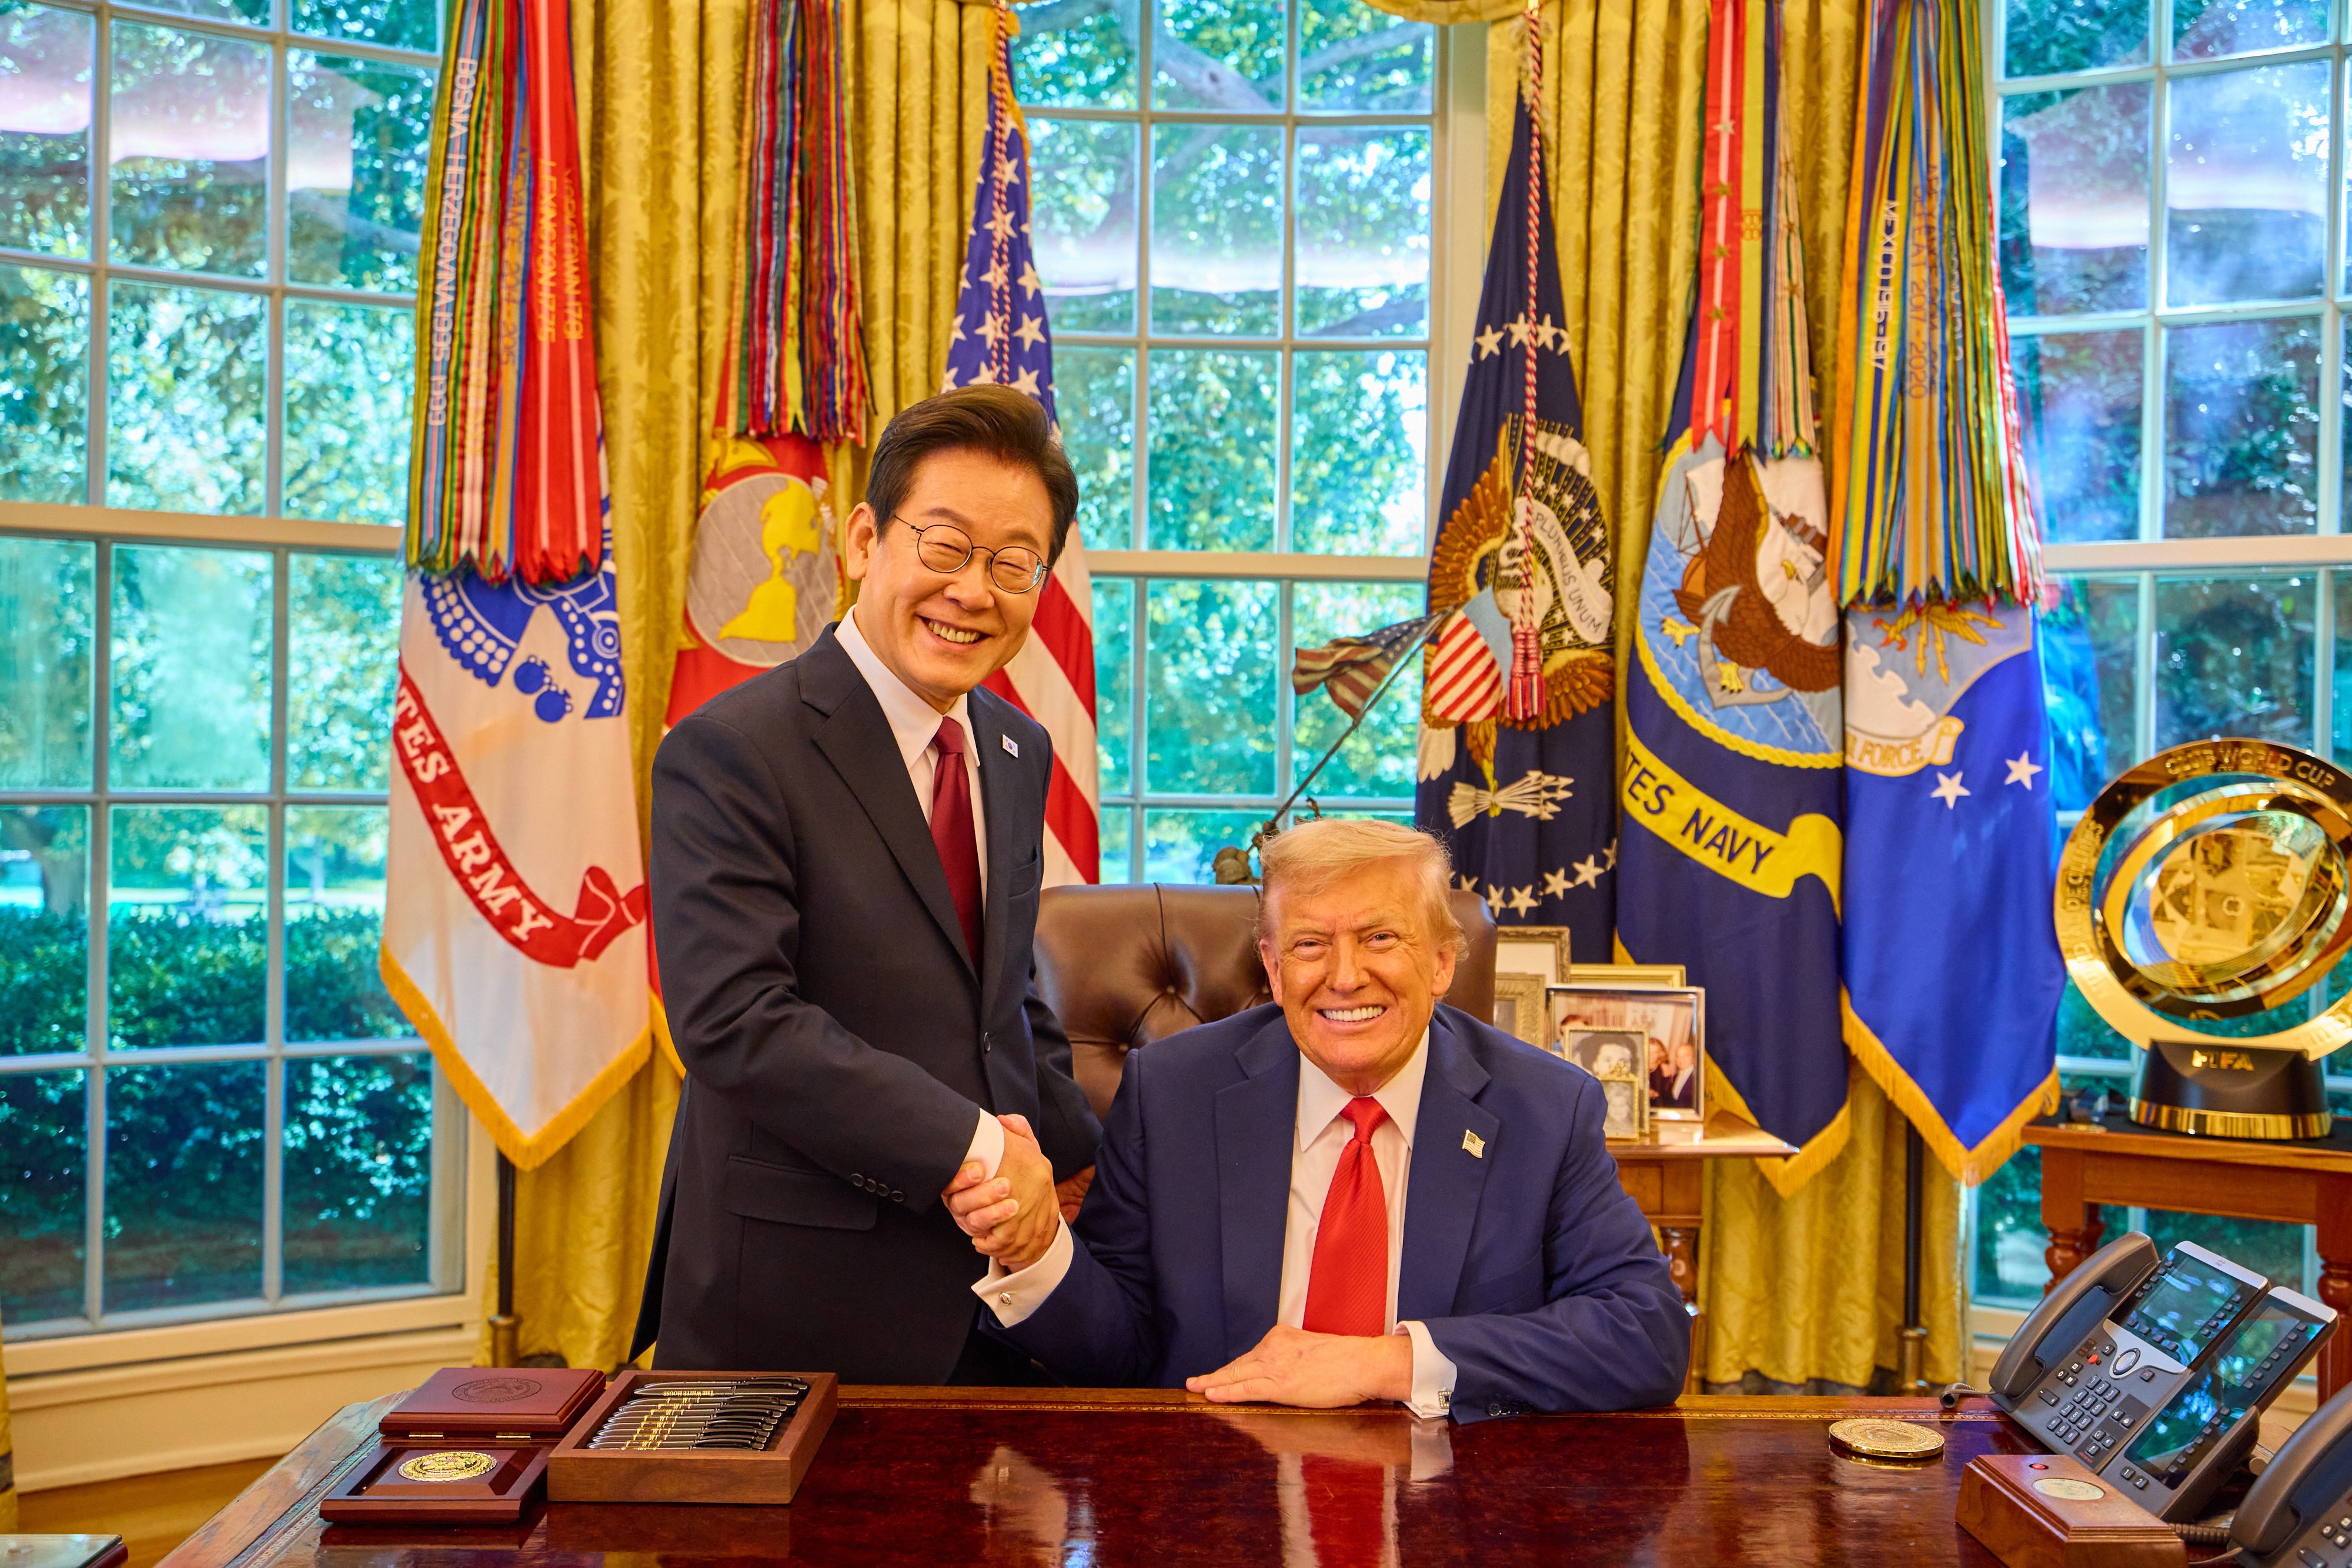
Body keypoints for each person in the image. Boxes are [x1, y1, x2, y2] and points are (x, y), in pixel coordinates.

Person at [633, 385, 1101, 1383]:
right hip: (796, 1304)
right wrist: (980, 1148)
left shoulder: (1018, 746)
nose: (975, 590)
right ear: (861, 540)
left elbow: (1003, 999)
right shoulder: (732, 749)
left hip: (989, 1302)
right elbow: (736, 1021)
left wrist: (1091, 1158)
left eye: (1014, 563)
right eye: (944, 544)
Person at [951, 818, 1688, 1419]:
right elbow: (1122, 1346)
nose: (1343, 977)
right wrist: (1041, 1247)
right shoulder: (1171, 1093)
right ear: (1272, 968)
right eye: (1309, 945)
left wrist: (1386, 1362)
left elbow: (1645, 1335)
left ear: (1441, 962)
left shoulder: (1543, 1107)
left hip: (1453, 1508)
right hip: (1219, 1503)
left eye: (1379, 938)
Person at [1665, 1038, 1699, 1109]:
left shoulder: (1698, 1078)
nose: (1681, 1060)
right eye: (1678, 1056)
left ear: (1694, 1057)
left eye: (1686, 1056)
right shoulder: (1675, 1077)